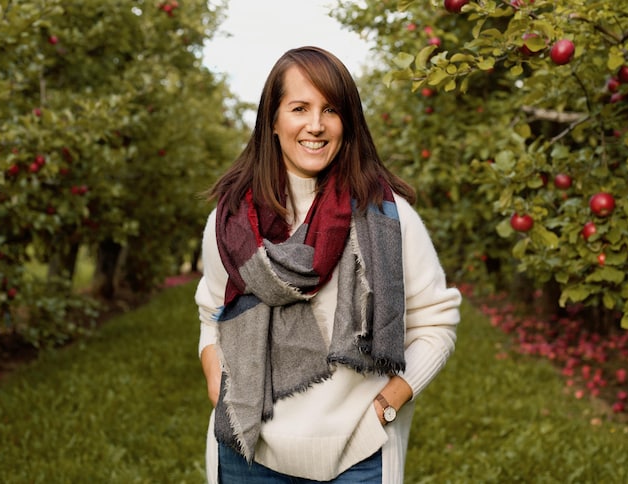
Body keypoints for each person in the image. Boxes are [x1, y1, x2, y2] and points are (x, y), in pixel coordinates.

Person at [195, 46, 461, 483]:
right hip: (247, 450)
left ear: (348, 123)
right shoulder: (230, 223)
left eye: (331, 110)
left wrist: (387, 404)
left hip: (359, 455)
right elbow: (212, 314)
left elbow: (436, 322)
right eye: (299, 108)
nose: (315, 125)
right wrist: (216, 383)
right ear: (273, 122)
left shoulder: (387, 217)